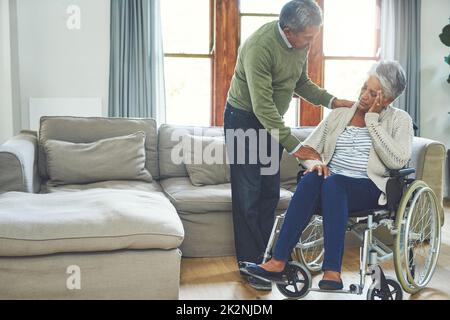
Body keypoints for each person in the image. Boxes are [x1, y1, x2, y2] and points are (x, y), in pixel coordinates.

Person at [241, 60, 413, 290]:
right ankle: (277, 261)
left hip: (368, 187)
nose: (363, 96)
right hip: (331, 185)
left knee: (334, 183)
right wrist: (315, 163)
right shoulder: (340, 114)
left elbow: (397, 160)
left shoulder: (399, 120)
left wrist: (372, 121)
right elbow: (308, 149)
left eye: (372, 94)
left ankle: (332, 271)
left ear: (388, 100)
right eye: (364, 87)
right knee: (313, 177)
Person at [224, 0, 353, 291]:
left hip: (271, 122)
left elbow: (301, 82)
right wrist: (296, 147)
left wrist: (331, 101)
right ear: (288, 30)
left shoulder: (301, 42)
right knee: (248, 193)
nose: (311, 42)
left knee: (269, 190)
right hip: (244, 119)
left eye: (314, 36)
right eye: (307, 38)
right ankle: (250, 265)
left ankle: (269, 259)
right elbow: (263, 107)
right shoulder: (260, 47)